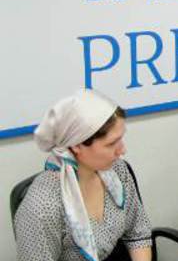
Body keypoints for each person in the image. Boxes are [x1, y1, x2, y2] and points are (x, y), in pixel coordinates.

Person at [15, 90, 152, 261]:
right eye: (111, 144)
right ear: (77, 146)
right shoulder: (42, 207)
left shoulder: (117, 171)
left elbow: (138, 234)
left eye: (121, 139)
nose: (122, 150)